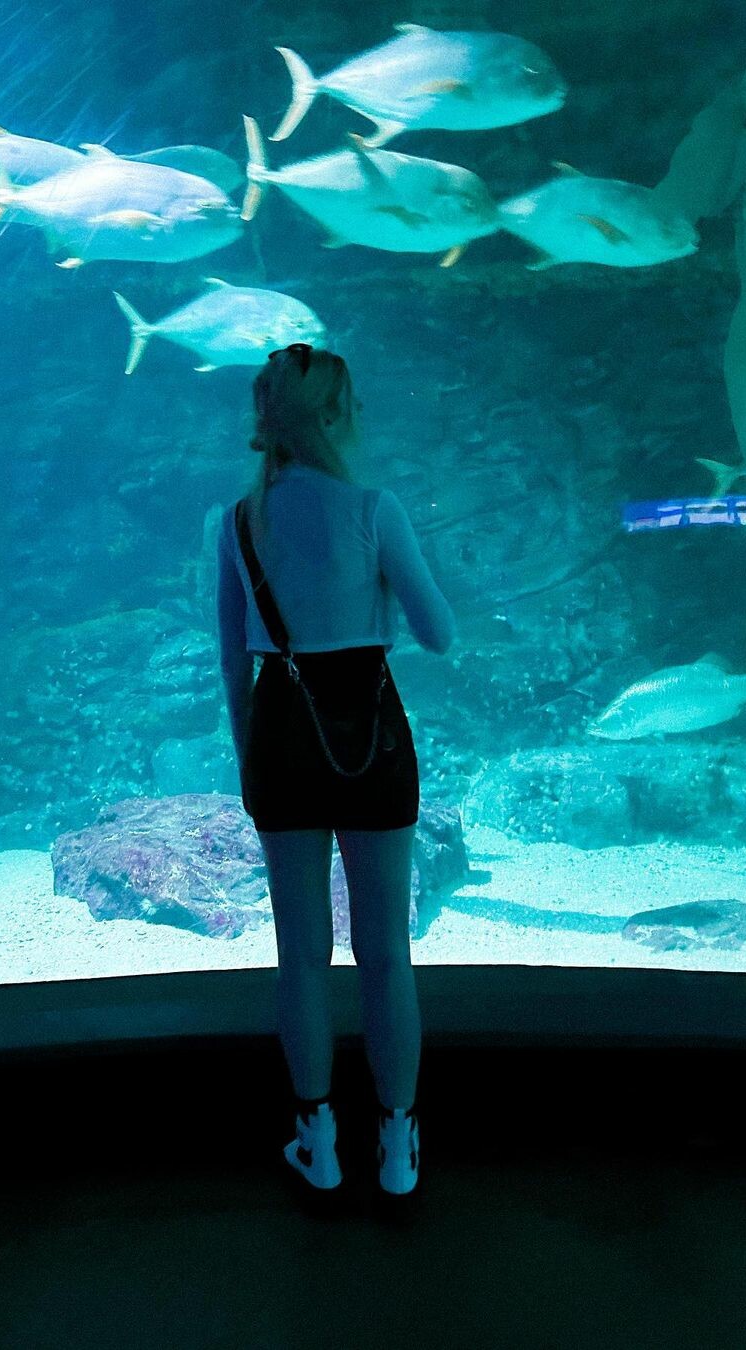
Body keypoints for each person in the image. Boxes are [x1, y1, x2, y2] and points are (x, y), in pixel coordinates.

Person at [215, 343, 456, 1196]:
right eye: (353, 406)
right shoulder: (374, 509)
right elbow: (439, 633)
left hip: (280, 732)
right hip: (370, 734)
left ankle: (316, 1142)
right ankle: (397, 1148)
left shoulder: (235, 523)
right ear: (331, 416)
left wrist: (251, 761)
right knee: (385, 951)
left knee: (302, 954)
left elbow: (231, 663)